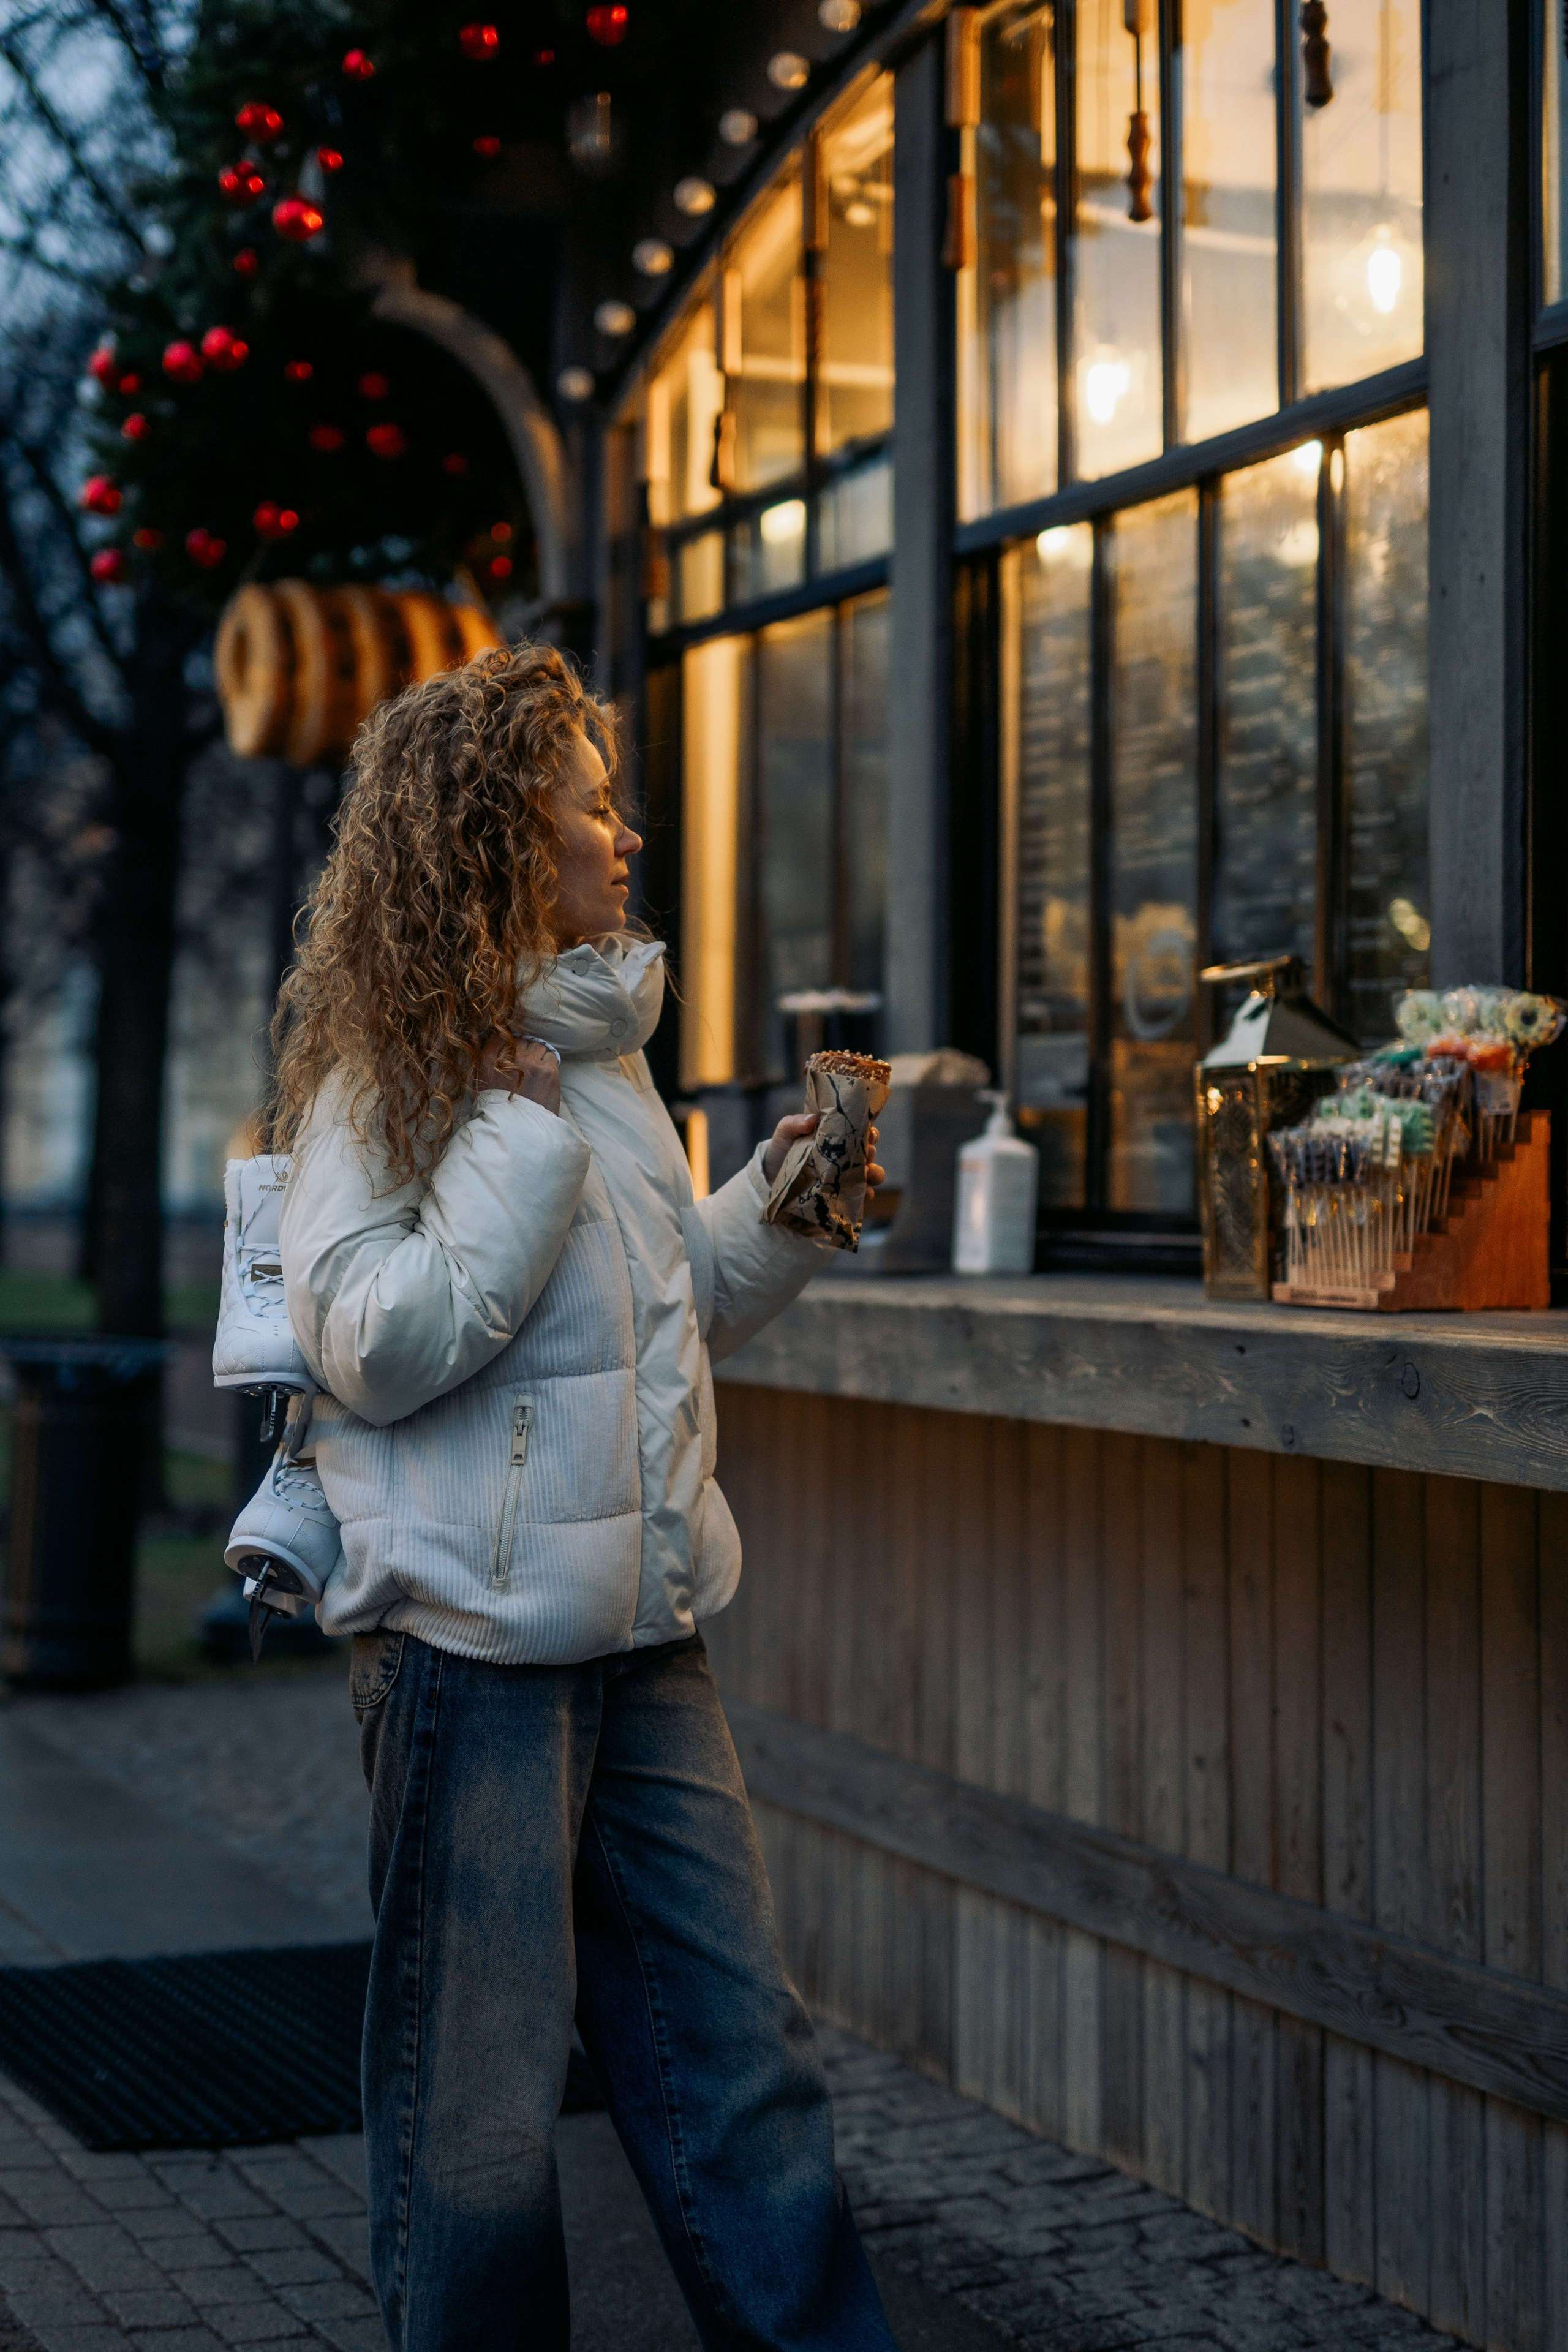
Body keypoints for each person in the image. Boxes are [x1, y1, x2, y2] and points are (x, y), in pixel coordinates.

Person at [268, 641, 897, 2352]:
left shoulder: (605, 1061)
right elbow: (371, 1344)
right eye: (592, 807)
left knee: (743, 2076)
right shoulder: (387, 1076)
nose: (627, 838)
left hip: (649, 1635)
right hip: (473, 1654)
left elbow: (655, 1304)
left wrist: (777, 1204)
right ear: (495, 842)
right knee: (477, 2141)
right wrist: (515, 1143)